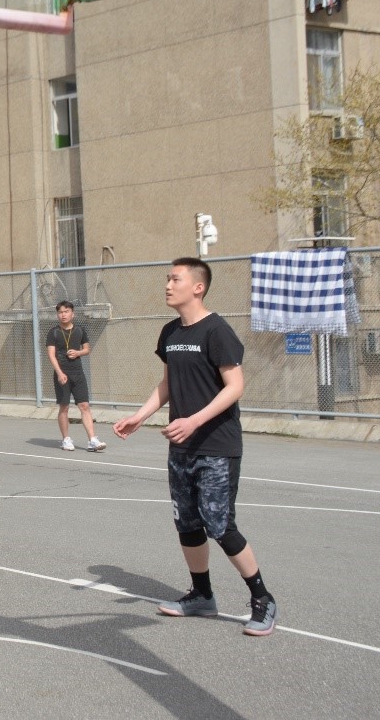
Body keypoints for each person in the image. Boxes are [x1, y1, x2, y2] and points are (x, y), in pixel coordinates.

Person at [113, 257, 278, 637]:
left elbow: (235, 387)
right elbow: (167, 385)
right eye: (167, 279)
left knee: (219, 524)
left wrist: (194, 420)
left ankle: (263, 598)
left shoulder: (217, 331)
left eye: (176, 279)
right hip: (181, 447)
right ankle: (202, 595)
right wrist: (140, 416)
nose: (168, 285)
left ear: (198, 287)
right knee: (187, 522)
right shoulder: (170, 332)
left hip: (217, 446)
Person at [46, 301, 105, 452]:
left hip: (78, 373)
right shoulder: (53, 332)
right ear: (57, 315)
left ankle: (92, 440)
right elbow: (51, 355)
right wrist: (59, 373)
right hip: (62, 374)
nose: (63, 315)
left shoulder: (80, 330)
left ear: (73, 314)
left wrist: (78, 353)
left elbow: (87, 349)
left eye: (66, 311)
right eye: (60, 312)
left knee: (84, 405)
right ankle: (66, 439)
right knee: (64, 407)